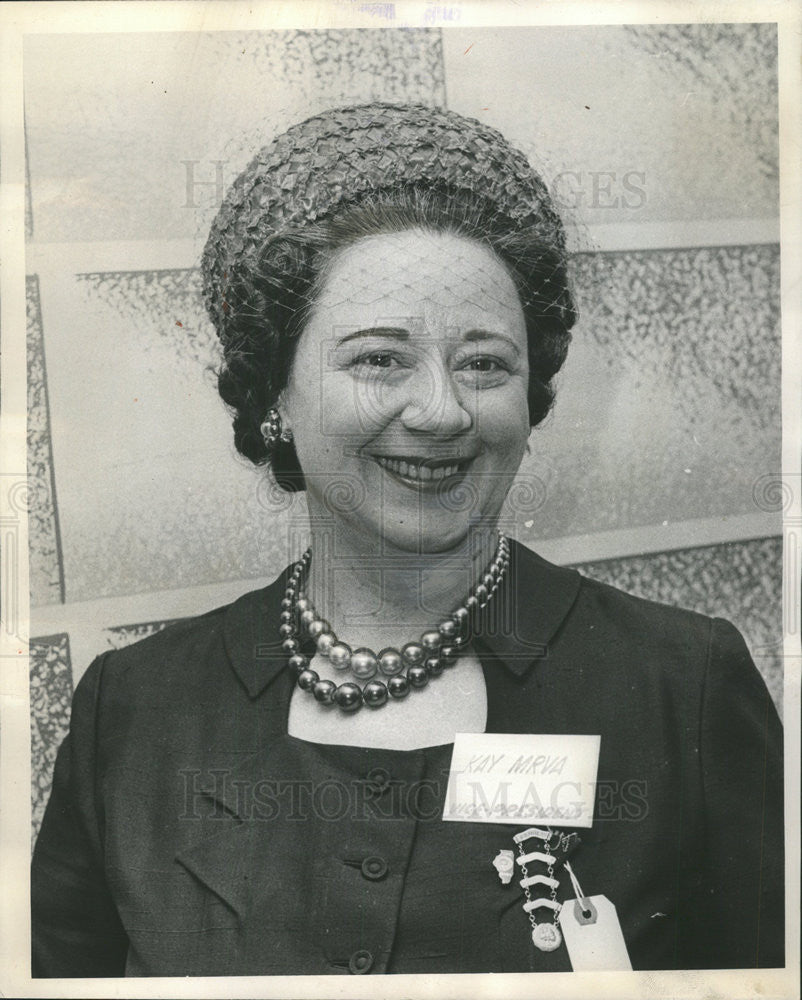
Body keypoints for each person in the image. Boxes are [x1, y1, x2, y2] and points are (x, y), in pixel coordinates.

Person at [31, 102, 784, 977]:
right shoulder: (133, 712)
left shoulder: (681, 689)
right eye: (380, 358)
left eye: (484, 363)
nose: (442, 410)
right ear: (273, 394)